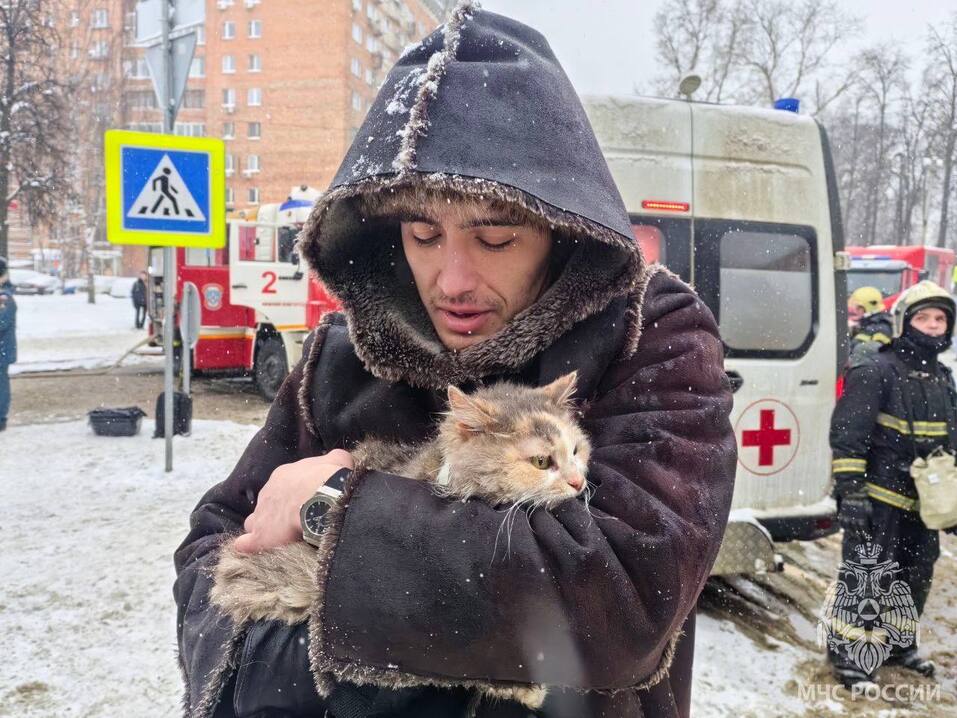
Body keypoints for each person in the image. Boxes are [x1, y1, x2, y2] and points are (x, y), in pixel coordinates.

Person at [174, 6, 736, 718]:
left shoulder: (650, 336)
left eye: (494, 239)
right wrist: (294, 676)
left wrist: (333, 510)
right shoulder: (342, 356)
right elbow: (208, 555)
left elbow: (622, 597)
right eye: (422, 234)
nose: (451, 280)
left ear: (560, 232)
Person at [829, 280, 957, 689]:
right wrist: (851, 493)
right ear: (904, 322)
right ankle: (849, 657)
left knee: (916, 576)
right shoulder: (875, 369)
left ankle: (899, 646)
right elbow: (849, 436)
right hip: (878, 499)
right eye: (924, 318)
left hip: (924, 505)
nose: (933, 326)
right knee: (866, 578)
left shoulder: (943, 378)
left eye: (940, 319)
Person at [847, 286, 892, 358]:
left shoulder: (882, 329)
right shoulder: (866, 325)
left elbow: (874, 355)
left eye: (859, 308)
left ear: (869, 308)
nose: (855, 311)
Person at [0, 256, 16, 432]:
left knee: (1, 386)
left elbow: (2, 323)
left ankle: (0, 418)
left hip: (2, 351)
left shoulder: (4, 298)